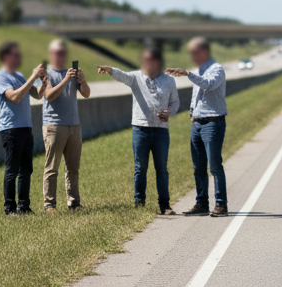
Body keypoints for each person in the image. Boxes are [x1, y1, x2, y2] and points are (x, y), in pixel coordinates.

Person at [97, 48, 179, 215]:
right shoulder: (136, 77)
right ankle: (139, 203)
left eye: (149, 60)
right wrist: (110, 69)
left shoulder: (169, 81)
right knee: (140, 167)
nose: (146, 63)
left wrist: (169, 112)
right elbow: (122, 75)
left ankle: (165, 205)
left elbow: (175, 102)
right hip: (140, 129)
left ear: (157, 62)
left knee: (161, 168)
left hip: (161, 131)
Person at [167, 37, 228, 217]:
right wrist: (192, 114)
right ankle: (201, 203)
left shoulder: (217, 69)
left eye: (194, 52)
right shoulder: (197, 70)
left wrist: (188, 74)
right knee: (198, 167)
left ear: (204, 51)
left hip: (213, 123)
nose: (191, 56)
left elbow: (208, 85)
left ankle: (221, 204)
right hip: (197, 124)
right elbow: (196, 97)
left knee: (215, 166)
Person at [0, 41, 45, 216]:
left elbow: (37, 95)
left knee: (26, 169)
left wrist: (43, 81)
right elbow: (14, 97)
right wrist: (32, 77)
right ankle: (10, 208)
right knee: (12, 170)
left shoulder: (20, 75)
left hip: (25, 127)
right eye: (15, 54)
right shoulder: (1, 77)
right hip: (11, 129)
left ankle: (24, 206)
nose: (18, 57)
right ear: (6, 56)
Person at [36, 38, 89, 211]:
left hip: (74, 125)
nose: (61, 55)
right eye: (57, 52)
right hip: (54, 126)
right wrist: (66, 80)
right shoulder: (45, 73)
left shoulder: (71, 73)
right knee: (52, 167)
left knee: (73, 167)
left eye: (63, 53)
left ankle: (74, 202)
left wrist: (81, 80)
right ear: (51, 54)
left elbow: (87, 94)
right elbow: (49, 95)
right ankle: (49, 204)